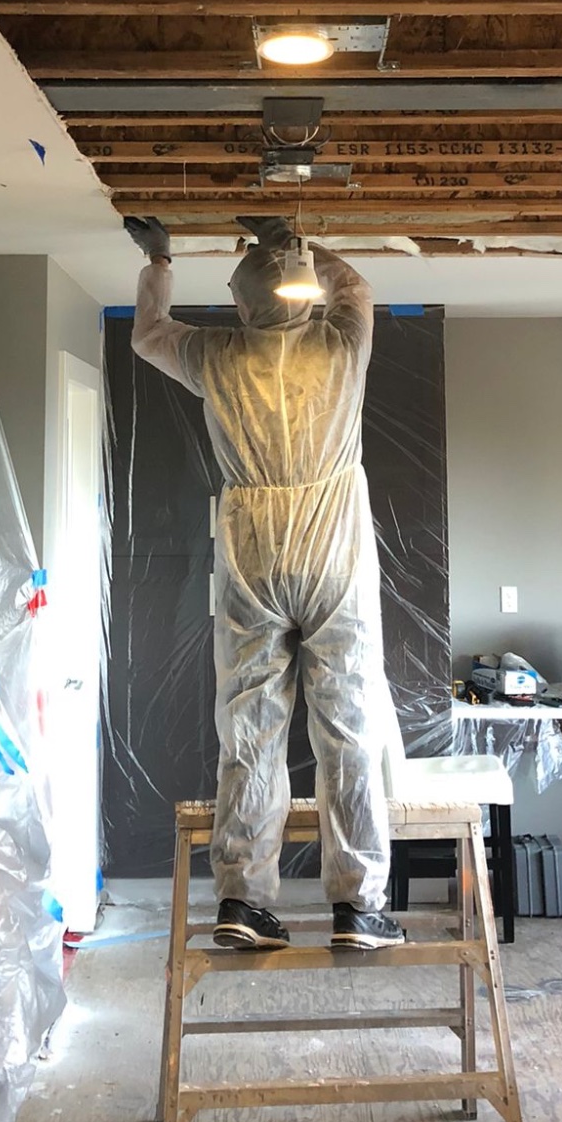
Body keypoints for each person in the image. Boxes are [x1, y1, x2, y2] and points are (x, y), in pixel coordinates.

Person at [123, 213, 402, 951]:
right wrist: (302, 242)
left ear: (242, 303)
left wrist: (159, 259)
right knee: (347, 728)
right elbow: (358, 287)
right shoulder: (342, 346)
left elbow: (147, 334)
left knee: (249, 725)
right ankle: (360, 908)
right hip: (332, 553)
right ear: (304, 295)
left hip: (251, 555)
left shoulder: (216, 354)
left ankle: (243, 900)